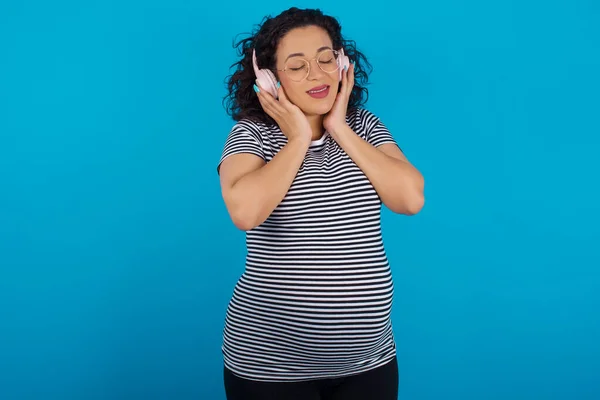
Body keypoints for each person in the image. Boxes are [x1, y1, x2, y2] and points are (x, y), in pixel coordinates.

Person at [217, 7, 425, 400]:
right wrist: (297, 138)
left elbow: (410, 198)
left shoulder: (363, 127)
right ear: (269, 79)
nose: (317, 73)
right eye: (297, 66)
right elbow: (244, 212)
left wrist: (339, 127)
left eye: (326, 59)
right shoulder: (253, 135)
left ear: (342, 62)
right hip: (270, 369)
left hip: (369, 363)